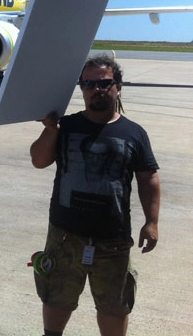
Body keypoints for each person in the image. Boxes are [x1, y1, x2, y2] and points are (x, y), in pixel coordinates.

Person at [30, 54, 160, 336]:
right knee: (57, 295)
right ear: (81, 89)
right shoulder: (66, 127)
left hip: (112, 240)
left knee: (115, 304)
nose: (96, 89)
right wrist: (50, 131)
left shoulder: (134, 133)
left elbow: (148, 177)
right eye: (88, 84)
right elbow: (38, 160)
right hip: (65, 235)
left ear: (118, 85)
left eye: (103, 82)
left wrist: (151, 222)